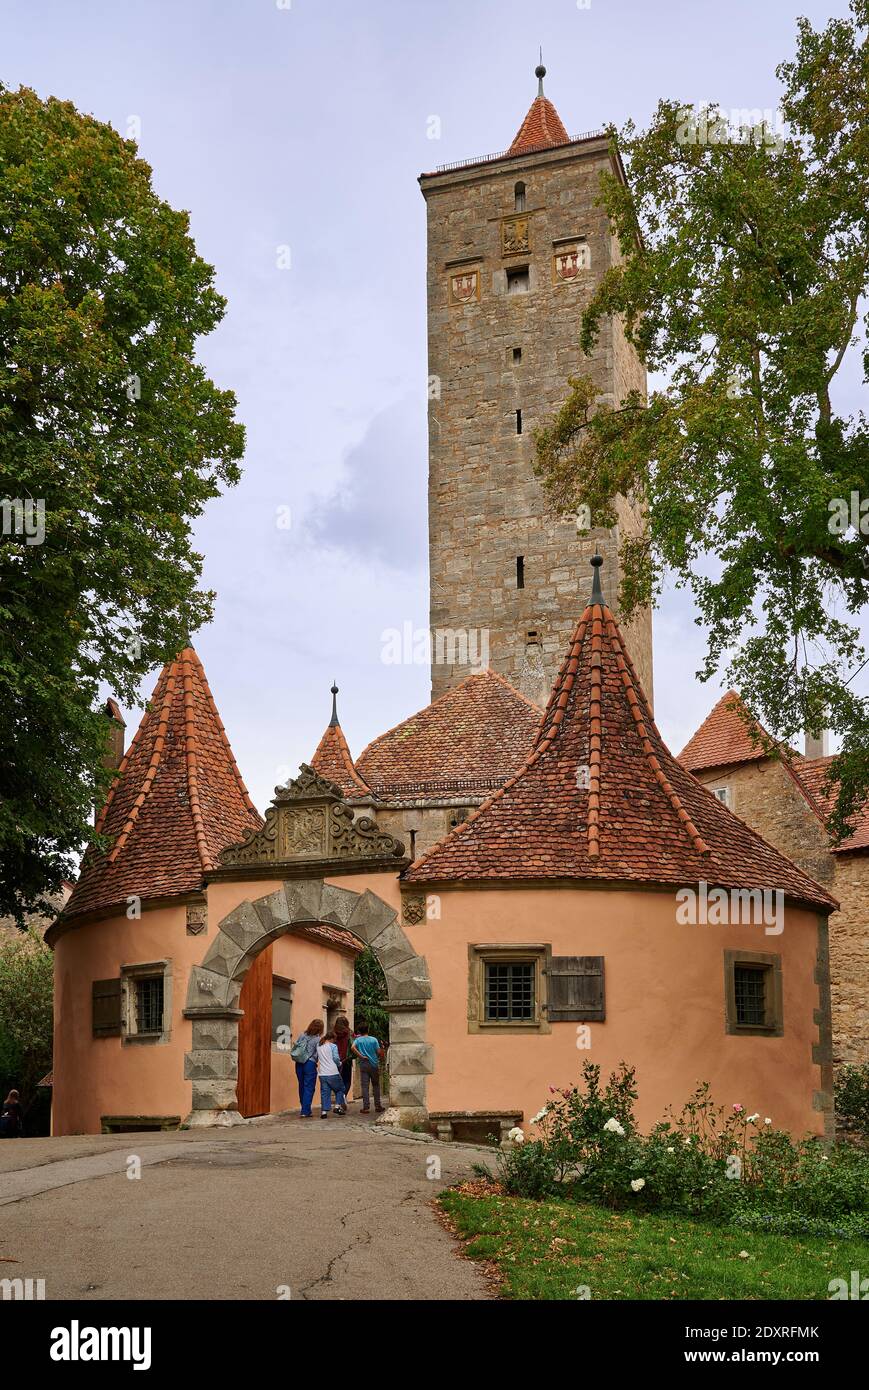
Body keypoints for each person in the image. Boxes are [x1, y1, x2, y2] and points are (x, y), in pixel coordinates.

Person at [351, 1021, 385, 1114]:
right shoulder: (373, 1039)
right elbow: (378, 1052)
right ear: (368, 1029)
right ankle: (378, 1106)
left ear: (359, 1031)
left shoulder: (358, 1040)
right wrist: (380, 1057)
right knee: (376, 1085)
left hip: (363, 1064)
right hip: (373, 1064)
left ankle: (366, 1107)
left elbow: (352, 1047)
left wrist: (361, 1056)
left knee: (365, 1086)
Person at [294, 1019, 324, 1118]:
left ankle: (305, 1108)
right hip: (310, 1064)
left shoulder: (302, 1035)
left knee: (301, 1085)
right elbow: (318, 1054)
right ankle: (305, 1111)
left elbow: (297, 1046)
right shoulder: (318, 1039)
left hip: (299, 1063)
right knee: (309, 1087)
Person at [317, 1030, 347, 1118]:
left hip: (322, 1073)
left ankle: (323, 1112)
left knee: (325, 1092)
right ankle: (337, 1106)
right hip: (332, 1072)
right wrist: (340, 1063)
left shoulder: (319, 1046)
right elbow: (336, 1058)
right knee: (340, 1089)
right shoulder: (333, 1046)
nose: (335, 1041)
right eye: (335, 1039)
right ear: (332, 1038)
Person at [334, 1014, 353, 1103]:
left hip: (335, 1060)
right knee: (347, 1080)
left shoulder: (333, 1033)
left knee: (337, 1080)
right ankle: (343, 1094)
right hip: (347, 1060)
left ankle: (340, 1096)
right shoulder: (349, 1033)